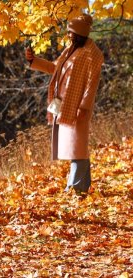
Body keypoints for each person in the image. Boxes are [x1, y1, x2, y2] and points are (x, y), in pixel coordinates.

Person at [25, 13, 104, 193]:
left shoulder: (93, 54)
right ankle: (83, 187)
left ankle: (74, 188)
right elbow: (55, 67)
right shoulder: (71, 48)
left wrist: (84, 107)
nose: (68, 35)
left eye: (71, 33)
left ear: (80, 33)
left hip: (78, 106)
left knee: (77, 145)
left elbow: (92, 84)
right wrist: (33, 61)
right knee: (74, 145)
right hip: (63, 103)